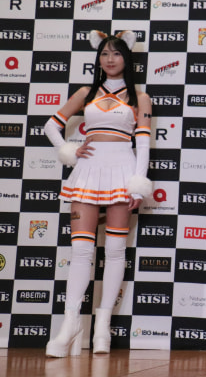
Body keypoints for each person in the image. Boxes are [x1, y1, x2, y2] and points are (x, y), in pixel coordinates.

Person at [44, 30, 153, 357]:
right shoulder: (85, 92)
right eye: (105, 53)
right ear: (98, 58)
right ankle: (71, 325)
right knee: (81, 251)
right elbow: (51, 125)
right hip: (88, 173)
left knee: (116, 250)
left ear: (126, 58)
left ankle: (102, 328)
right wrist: (69, 150)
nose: (110, 59)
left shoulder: (140, 98)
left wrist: (138, 182)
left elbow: (143, 144)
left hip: (122, 172)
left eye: (116, 53)